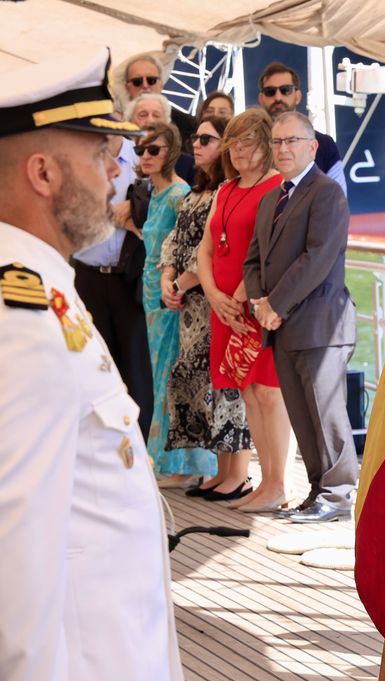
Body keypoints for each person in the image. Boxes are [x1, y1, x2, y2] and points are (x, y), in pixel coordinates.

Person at [0, 47, 182, 681]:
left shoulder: (44, 291)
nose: (116, 170)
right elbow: (13, 557)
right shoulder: (21, 319)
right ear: (44, 174)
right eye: (100, 153)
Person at [243, 111, 359, 522]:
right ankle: (317, 492)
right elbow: (254, 259)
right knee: (301, 413)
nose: (283, 149)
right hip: (283, 326)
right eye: (276, 142)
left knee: (326, 415)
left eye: (292, 141)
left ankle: (340, 495)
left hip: (321, 325)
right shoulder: (271, 198)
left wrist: (275, 305)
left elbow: (317, 258)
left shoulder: (326, 193)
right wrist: (260, 303)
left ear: (311, 147)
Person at [197, 108, 291, 509]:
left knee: (269, 393)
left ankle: (278, 483)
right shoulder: (225, 189)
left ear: (265, 143)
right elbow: (206, 247)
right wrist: (214, 295)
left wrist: (237, 296)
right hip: (225, 307)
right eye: (232, 142)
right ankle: (265, 484)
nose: (237, 150)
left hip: (254, 305)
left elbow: (269, 251)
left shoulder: (276, 186)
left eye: (247, 142)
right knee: (248, 393)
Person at [159, 115, 254, 494]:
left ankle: (237, 476)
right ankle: (220, 471)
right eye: (194, 138)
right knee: (202, 385)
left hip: (211, 299)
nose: (195, 144)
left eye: (206, 139)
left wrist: (181, 284)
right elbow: (175, 240)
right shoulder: (196, 192)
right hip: (190, 307)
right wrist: (168, 278)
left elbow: (212, 250)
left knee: (226, 387)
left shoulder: (225, 193)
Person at [138, 122, 217, 484]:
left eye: (153, 150)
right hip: (154, 293)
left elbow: (189, 246)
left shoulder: (179, 193)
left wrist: (175, 285)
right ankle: (165, 458)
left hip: (174, 297)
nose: (146, 156)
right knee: (158, 375)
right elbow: (160, 244)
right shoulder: (155, 194)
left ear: (170, 153)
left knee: (172, 374)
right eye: (141, 150)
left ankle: (180, 464)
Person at [72, 125, 154, 442]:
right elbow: (74, 213)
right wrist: (114, 215)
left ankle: (140, 453)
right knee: (93, 367)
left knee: (136, 370)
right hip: (87, 276)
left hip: (129, 277)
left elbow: (157, 208)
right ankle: (102, 448)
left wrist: (133, 211)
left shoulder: (143, 155)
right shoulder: (79, 154)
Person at [257, 62, 348, 196]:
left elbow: (338, 198)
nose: (278, 97)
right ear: (262, 98)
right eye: (270, 92)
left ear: (298, 96)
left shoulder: (324, 144)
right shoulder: (251, 144)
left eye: (285, 90)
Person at [122, 53, 198, 148]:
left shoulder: (187, 125)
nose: (145, 85)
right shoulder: (115, 129)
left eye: (151, 80)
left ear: (161, 84)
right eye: (137, 81)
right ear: (127, 88)